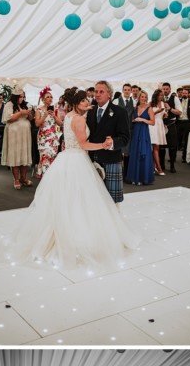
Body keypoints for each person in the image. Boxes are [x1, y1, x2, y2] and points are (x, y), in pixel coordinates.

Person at [7, 89, 139, 270]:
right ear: (76, 103)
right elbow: (84, 144)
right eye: (84, 101)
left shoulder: (69, 115)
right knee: (80, 198)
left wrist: (87, 111)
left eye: (88, 100)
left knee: (67, 199)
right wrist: (103, 144)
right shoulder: (78, 119)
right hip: (77, 158)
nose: (88, 102)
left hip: (67, 158)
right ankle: (77, 237)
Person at [87, 81, 131, 204]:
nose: (97, 94)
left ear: (109, 94)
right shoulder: (90, 111)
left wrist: (113, 142)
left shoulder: (120, 112)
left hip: (111, 159)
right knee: (94, 198)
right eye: (96, 91)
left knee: (112, 200)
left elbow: (125, 137)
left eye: (101, 91)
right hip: (92, 160)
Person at [1, 86, 34, 189]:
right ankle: (16, 179)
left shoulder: (25, 104)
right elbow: (8, 119)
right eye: (20, 97)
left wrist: (29, 113)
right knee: (15, 156)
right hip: (14, 134)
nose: (22, 99)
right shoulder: (9, 105)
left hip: (25, 134)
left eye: (23, 97)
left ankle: (23, 178)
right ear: (15, 97)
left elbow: (31, 119)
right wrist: (20, 113)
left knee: (24, 155)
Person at [126, 89, 155, 185]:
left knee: (144, 154)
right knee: (135, 153)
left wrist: (142, 119)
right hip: (135, 132)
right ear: (139, 98)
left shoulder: (149, 108)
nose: (144, 98)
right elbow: (133, 119)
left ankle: (143, 178)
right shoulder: (135, 108)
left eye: (145, 97)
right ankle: (134, 177)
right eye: (142, 97)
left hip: (144, 132)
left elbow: (153, 122)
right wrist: (135, 120)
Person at [34, 87, 63, 178]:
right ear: (42, 99)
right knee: (44, 156)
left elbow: (60, 123)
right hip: (43, 137)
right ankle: (45, 176)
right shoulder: (38, 110)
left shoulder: (56, 109)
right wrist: (45, 115)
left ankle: (51, 177)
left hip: (53, 136)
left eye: (51, 97)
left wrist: (54, 116)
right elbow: (37, 124)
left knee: (53, 156)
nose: (50, 99)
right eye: (47, 97)